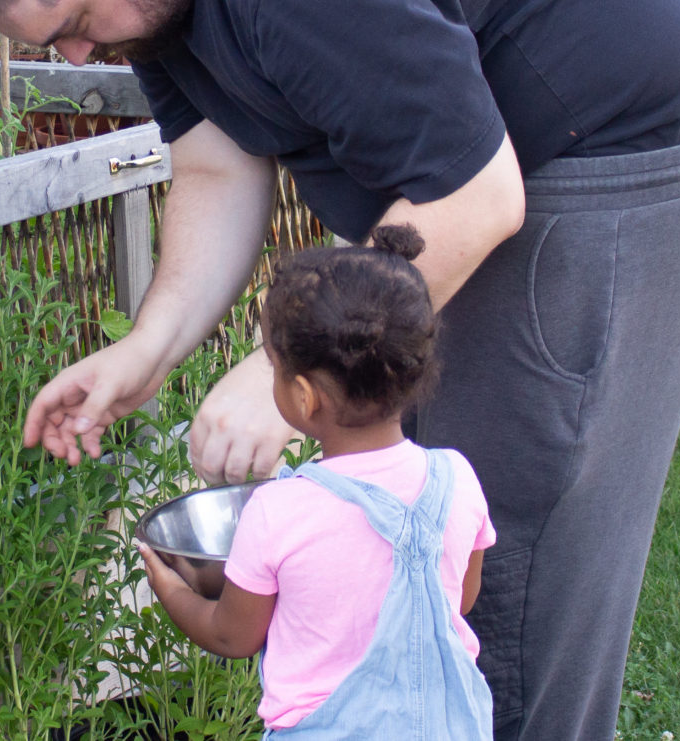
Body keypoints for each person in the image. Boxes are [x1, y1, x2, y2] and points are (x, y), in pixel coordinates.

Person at [0, 0, 680, 741]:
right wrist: (143, 351)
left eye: (71, 24)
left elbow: (474, 196)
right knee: (398, 536)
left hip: (603, 154)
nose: (74, 57)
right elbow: (215, 169)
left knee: (504, 588)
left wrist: (285, 371)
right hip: (472, 172)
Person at [140, 230, 495, 739]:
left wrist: (170, 589)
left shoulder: (280, 510)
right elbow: (458, 600)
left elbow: (231, 635)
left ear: (304, 398)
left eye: (275, 367)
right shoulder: (457, 478)